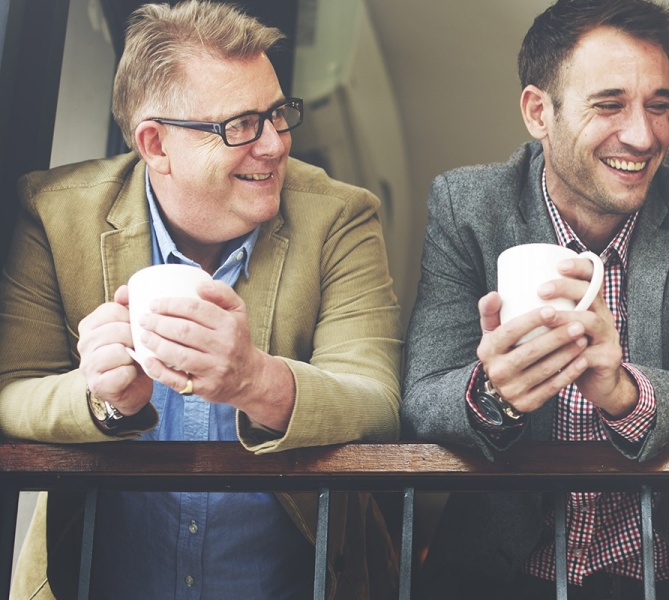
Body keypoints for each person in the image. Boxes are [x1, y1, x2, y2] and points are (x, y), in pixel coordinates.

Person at [401, 0, 669, 598]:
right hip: (509, 571)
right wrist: (493, 393)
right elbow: (421, 396)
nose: (642, 135)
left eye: (658, 105)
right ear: (539, 112)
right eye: (610, 105)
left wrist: (623, 392)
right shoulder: (467, 206)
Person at [0, 2, 403, 598]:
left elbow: (377, 402)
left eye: (277, 114)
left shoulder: (341, 216)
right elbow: (12, 390)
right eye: (239, 125)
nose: (273, 144)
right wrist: (103, 399)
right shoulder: (55, 213)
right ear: (155, 144)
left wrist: (254, 380)